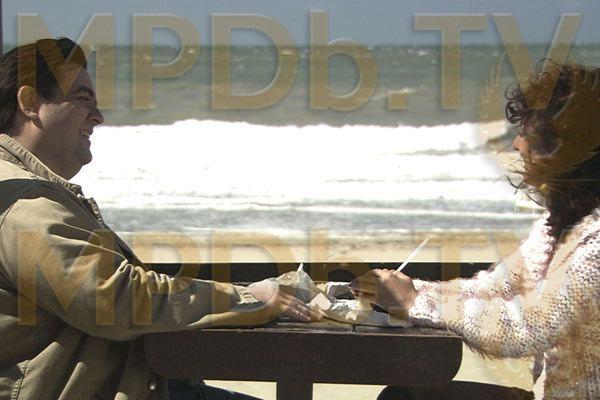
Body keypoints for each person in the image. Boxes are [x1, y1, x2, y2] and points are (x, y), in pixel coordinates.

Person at [0, 38, 321, 400]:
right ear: (30, 103)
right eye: (83, 98)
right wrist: (247, 299)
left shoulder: (27, 192)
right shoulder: (23, 202)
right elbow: (113, 298)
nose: (98, 116)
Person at [352, 61, 600, 400]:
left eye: (527, 131)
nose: (517, 144)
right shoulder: (560, 223)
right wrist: (408, 289)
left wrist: (413, 302)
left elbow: (528, 326)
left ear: (565, 144)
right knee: (403, 396)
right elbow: (496, 287)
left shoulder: (594, 244)